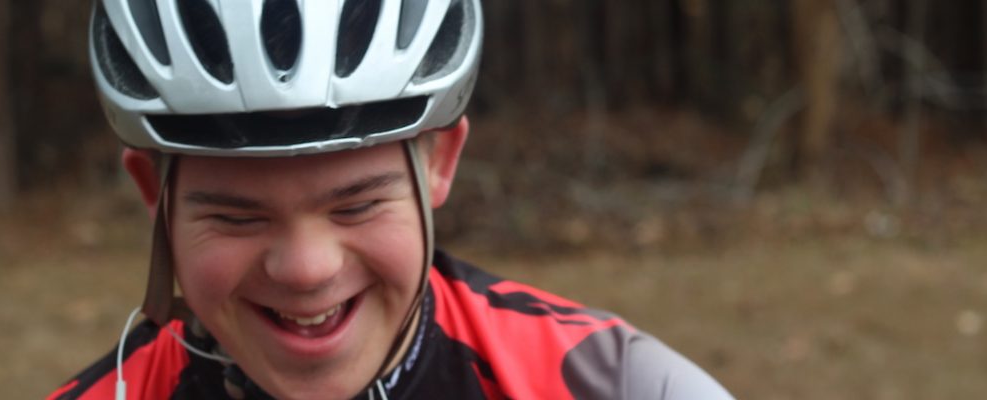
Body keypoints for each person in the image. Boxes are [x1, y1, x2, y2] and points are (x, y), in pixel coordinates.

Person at [51, 0, 735, 399]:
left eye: (355, 206)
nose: (306, 268)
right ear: (156, 199)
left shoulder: (604, 387)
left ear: (440, 164)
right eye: (236, 216)